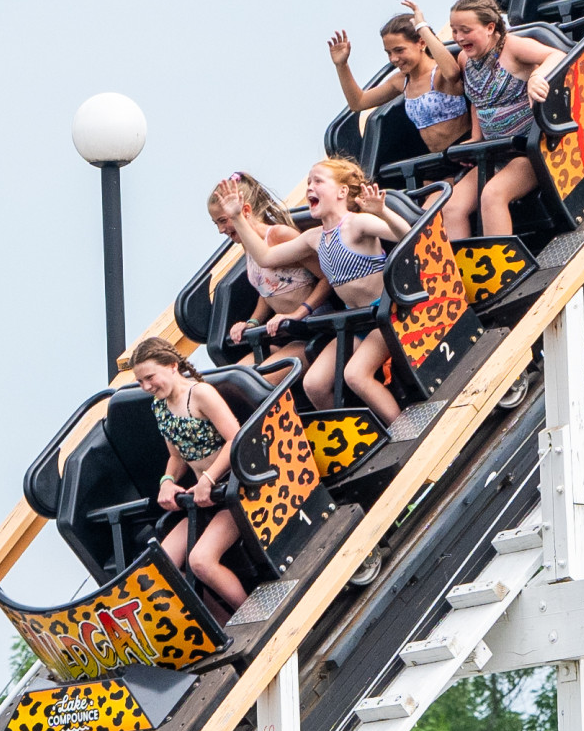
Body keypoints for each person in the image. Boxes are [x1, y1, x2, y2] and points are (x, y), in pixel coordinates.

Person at [125, 336, 250, 611]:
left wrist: (208, 479)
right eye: (140, 382)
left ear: (171, 366)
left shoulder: (200, 394)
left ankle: (255, 620)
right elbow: (177, 455)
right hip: (203, 497)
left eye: (149, 377)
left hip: (235, 489)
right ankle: (220, 626)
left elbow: (236, 438)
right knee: (160, 570)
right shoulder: (160, 406)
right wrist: (167, 481)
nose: (146, 386)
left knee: (201, 561)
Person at [298, 156, 415, 426]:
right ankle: (355, 434)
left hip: (388, 314)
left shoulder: (357, 223)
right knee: (314, 384)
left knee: (355, 374)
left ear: (341, 192)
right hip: (356, 322)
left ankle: (403, 430)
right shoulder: (315, 238)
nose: (309, 188)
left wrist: (382, 211)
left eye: (317, 181)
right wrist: (237, 218)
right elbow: (268, 257)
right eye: (307, 183)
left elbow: (406, 234)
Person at [441, 0, 569, 238]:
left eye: (465, 30)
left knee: (492, 194)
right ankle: (467, 274)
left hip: (532, 150)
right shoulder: (465, 59)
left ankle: (500, 269)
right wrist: (476, 137)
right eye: (455, 31)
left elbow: (556, 56)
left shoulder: (512, 47)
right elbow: (478, 100)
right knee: (452, 205)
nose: (458, 38)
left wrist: (536, 77)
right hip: (494, 153)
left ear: (490, 27)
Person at [205, 174, 325, 360]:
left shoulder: (279, 235)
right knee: (238, 377)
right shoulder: (248, 245)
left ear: (244, 210)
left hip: (316, 328)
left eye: (223, 220)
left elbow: (328, 277)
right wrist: (252, 322)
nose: (221, 230)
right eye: (216, 224)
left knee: (261, 380)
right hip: (289, 335)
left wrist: (297, 313)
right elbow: (268, 287)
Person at [327, 7, 470, 155]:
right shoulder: (401, 81)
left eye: (399, 50)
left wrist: (422, 27)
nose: (393, 59)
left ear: (421, 43)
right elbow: (358, 102)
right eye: (389, 53)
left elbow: (453, 73)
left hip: (462, 154)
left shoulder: (440, 73)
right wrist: (341, 65)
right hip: (435, 160)